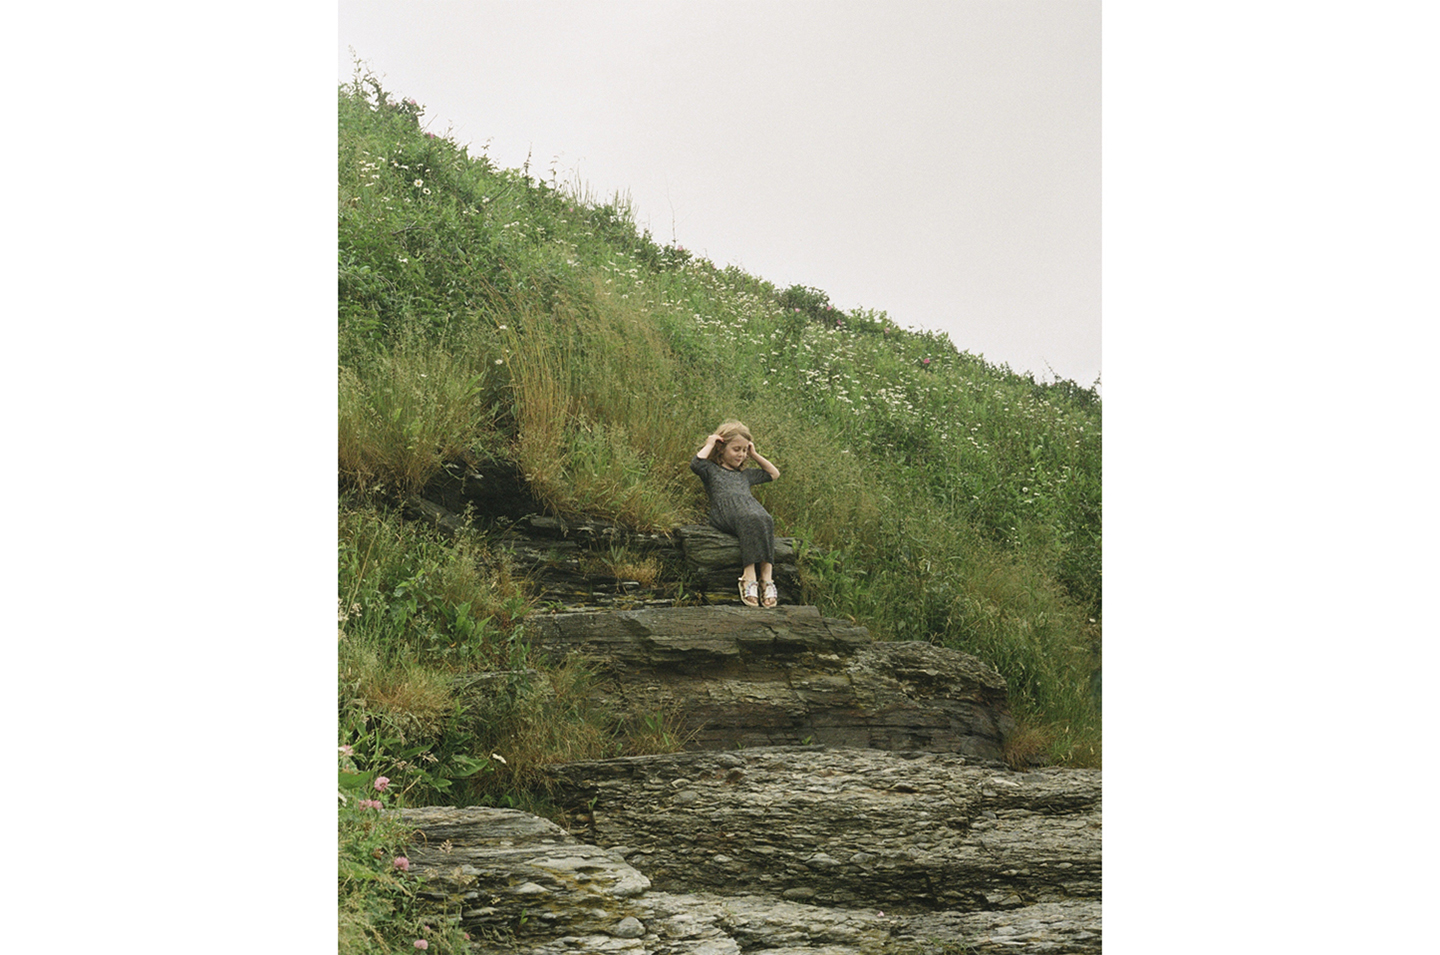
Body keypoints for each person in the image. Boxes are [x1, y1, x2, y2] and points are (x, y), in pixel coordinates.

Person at [690, 421, 782, 608]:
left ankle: (766, 578)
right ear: (721, 448)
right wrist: (710, 444)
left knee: (765, 518)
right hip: (724, 512)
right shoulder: (711, 469)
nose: (741, 454)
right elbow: (695, 464)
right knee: (749, 517)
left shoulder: (744, 475)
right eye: (736, 449)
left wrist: (754, 454)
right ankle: (749, 575)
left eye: (744, 450)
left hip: (748, 510)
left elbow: (774, 474)